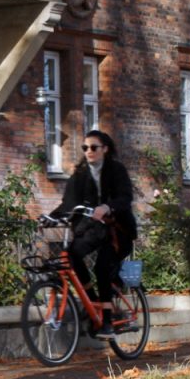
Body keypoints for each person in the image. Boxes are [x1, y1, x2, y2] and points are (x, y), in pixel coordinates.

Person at [48, 130, 138, 338]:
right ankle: (91, 300)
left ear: (105, 149)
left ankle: (107, 321)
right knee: (71, 255)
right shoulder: (80, 174)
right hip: (93, 229)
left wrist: (107, 207)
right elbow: (69, 202)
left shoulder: (116, 170)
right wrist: (51, 217)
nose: (89, 151)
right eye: (85, 148)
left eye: (94, 147)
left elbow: (125, 197)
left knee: (102, 267)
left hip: (118, 230)